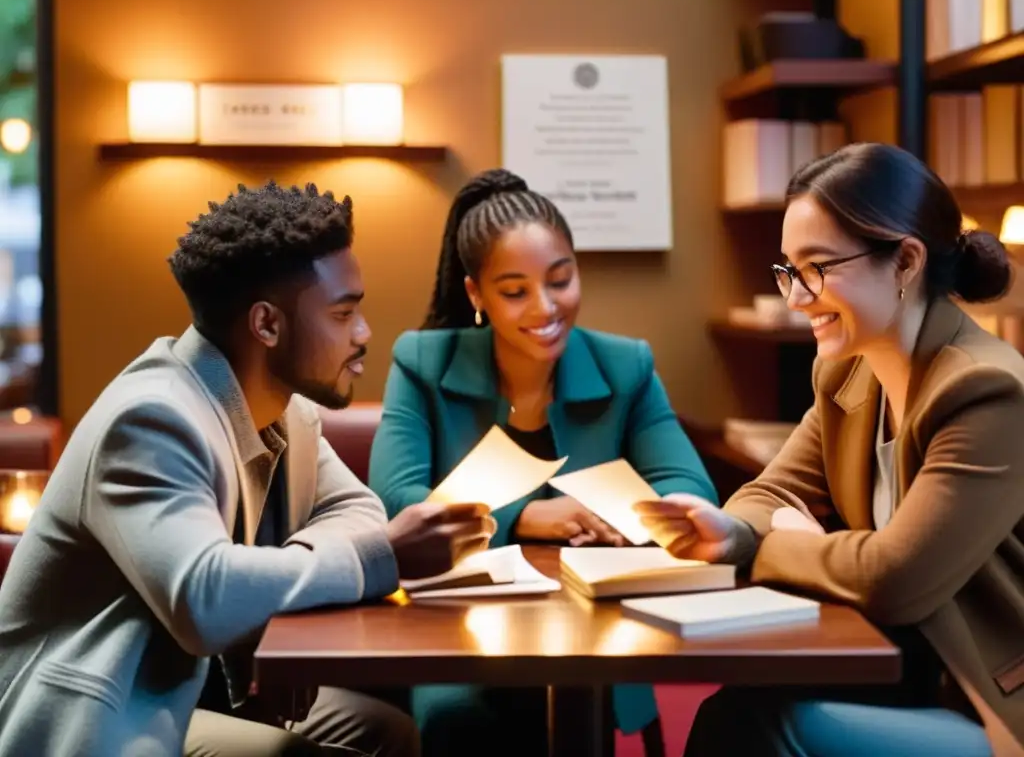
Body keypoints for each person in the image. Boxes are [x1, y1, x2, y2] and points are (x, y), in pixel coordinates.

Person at [0, 181, 497, 757]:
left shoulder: (288, 408)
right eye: (343, 313)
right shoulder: (151, 419)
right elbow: (205, 599)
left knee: (386, 733)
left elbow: (356, 508)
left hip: (182, 691)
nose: (363, 335)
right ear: (267, 324)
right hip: (92, 718)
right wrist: (382, 556)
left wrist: (269, 612)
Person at [636, 143, 1023, 756]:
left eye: (817, 268)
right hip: (903, 664)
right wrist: (732, 532)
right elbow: (769, 492)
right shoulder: (847, 372)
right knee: (732, 709)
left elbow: (897, 579)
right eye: (788, 270)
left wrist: (764, 544)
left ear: (906, 262)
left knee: (762, 725)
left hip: (985, 698)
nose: (796, 297)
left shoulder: (987, 391)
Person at [368, 168, 718, 756]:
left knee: (570, 702)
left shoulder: (625, 365)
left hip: (590, 624)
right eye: (515, 291)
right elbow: (397, 503)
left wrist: (618, 510)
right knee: (458, 715)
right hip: (455, 628)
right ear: (476, 294)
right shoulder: (422, 362)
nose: (546, 306)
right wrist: (526, 516)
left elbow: (689, 487)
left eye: (562, 279)